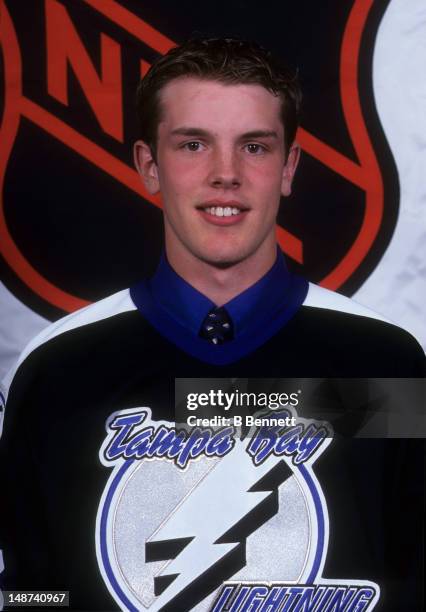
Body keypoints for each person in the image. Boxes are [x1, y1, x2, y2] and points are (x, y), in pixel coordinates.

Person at [0, 38, 424, 611]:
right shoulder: (58, 371)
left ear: (289, 167)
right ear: (149, 166)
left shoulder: (383, 364)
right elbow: (31, 593)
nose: (226, 174)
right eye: (193, 144)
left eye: (254, 146)